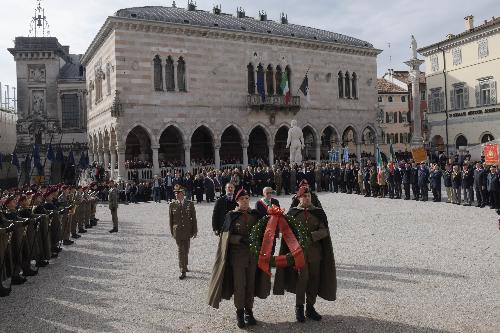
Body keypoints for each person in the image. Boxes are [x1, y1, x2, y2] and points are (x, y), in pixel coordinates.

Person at [207, 188, 271, 328]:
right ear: (237, 201)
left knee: (250, 284)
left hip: (252, 257)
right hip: (237, 258)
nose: (245, 201)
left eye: (247, 198)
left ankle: (249, 311)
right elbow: (225, 237)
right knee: (240, 286)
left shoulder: (255, 215)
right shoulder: (231, 215)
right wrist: (238, 239)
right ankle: (240, 313)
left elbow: (264, 233)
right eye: (242, 199)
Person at [273, 186, 337, 323]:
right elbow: (285, 233)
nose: (307, 198)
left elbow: (325, 231)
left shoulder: (318, 212)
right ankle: (299, 307)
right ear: (299, 198)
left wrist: (311, 236)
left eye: (308, 196)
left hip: (315, 254)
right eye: (304, 196)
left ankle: (310, 307)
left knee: (314, 280)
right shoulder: (293, 213)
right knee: (303, 280)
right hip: (299, 254)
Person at [169, 185, 197, 280]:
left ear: (183, 194)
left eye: (179, 193)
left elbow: (194, 218)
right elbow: (171, 220)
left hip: (187, 230)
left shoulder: (190, 204)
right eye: (175, 193)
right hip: (178, 232)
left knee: (186, 249)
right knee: (181, 250)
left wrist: (195, 230)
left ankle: (185, 264)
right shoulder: (172, 205)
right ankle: (182, 270)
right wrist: (172, 232)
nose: (176, 195)